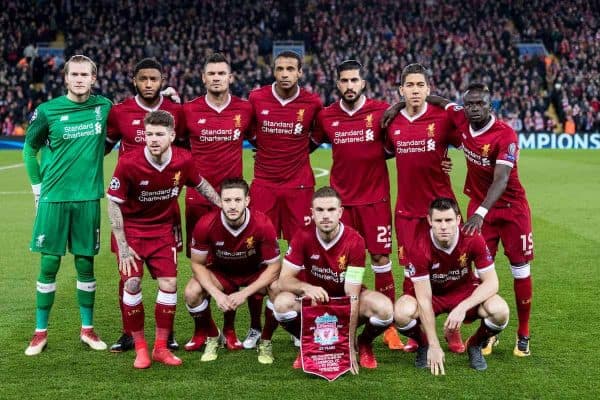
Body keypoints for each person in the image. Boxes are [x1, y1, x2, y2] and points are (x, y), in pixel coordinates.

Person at [106, 110, 220, 369]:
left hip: (161, 230)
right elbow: (113, 203)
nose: (153, 139)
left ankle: (160, 348)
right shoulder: (128, 162)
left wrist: (222, 205)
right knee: (132, 283)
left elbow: (200, 185)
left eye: (159, 134)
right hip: (132, 231)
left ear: (171, 135)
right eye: (148, 134)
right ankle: (140, 349)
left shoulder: (184, 160)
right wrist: (122, 246)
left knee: (169, 284)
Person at [23, 55, 112, 356]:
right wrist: (38, 191)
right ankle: (39, 333)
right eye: (74, 74)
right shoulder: (47, 111)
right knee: (49, 263)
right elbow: (28, 150)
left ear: (93, 78)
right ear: (65, 78)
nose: (79, 79)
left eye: (84, 74)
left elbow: (133, 119)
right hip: (53, 199)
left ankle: (87, 329)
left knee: (85, 264)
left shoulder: (104, 107)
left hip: (87, 198)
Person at [312, 59, 403, 350]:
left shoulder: (381, 112)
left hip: (375, 200)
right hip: (341, 205)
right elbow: (305, 144)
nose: (349, 86)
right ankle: (338, 319)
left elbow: (397, 145)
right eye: (344, 81)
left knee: (379, 260)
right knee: (341, 265)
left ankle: (388, 327)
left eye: (354, 80)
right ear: (337, 84)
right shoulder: (326, 116)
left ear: (363, 82)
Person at [444, 83, 534, 357]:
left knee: (520, 269)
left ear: (490, 105)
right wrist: (399, 106)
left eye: (480, 104)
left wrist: (480, 213)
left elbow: (502, 179)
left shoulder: (505, 135)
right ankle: (490, 330)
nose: (473, 108)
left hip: (511, 209)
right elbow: (438, 101)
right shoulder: (460, 117)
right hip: (480, 207)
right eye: (469, 104)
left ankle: (524, 334)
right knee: (481, 271)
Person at [382, 63, 464, 353]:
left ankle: (453, 332)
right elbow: (380, 153)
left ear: (428, 90)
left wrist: (447, 159)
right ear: (401, 90)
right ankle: (418, 336)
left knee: (453, 271)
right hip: (407, 213)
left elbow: (469, 138)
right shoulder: (392, 123)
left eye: (420, 85)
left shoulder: (442, 119)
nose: (415, 90)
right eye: (410, 86)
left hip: (442, 210)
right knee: (410, 274)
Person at [181, 53, 260, 352]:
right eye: (211, 73)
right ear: (203, 78)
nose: (216, 77)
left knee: (233, 263)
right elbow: (174, 145)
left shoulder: (244, 108)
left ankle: (229, 330)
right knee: (200, 266)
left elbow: (259, 139)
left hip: (233, 203)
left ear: (230, 78)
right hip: (197, 200)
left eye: (221, 73)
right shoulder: (188, 111)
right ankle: (204, 330)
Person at [105, 58, 184, 353]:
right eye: (143, 79)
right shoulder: (120, 112)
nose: (149, 84)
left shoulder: (176, 111)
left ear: (163, 79)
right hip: (131, 210)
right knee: (128, 273)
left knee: (169, 273)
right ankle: (129, 333)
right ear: (134, 80)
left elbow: (185, 148)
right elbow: (104, 146)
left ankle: (169, 333)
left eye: (154, 78)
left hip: (165, 207)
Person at [274, 187, 394, 371]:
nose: (325, 215)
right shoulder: (302, 236)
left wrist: (348, 348)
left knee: (384, 309)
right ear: (312, 213)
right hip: (315, 302)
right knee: (281, 303)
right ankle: (309, 343)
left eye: (331, 210)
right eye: (320, 210)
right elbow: (284, 280)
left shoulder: (355, 241)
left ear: (340, 212)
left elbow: (352, 295)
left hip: (345, 301)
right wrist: (307, 288)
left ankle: (363, 342)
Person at [394, 197, 509, 373]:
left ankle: (474, 344)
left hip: (464, 292)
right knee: (401, 313)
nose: (444, 226)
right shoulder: (418, 246)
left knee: (500, 311)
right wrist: (434, 344)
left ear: (458, 220)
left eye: (448, 220)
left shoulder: (472, 238)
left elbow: (492, 282)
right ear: (429, 221)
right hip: (433, 296)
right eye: (438, 221)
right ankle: (424, 345)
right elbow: (424, 299)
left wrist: (462, 307)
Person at [184, 178, 281, 364]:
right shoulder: (206, 224)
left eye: (237, 200)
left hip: (254, 272)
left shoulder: (262, 223)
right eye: (227, 200)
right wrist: (216, 294)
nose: (232, 206)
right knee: (191, 292)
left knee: (277, 288)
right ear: (220, 201)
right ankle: (213, 336)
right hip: (222, 274)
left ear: (247, 201)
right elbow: (197, 264)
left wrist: (244, 293)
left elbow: (274, 266)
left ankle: (265, 340)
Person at [248, 50, 323, 242]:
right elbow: (249, 130)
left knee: (302, 242)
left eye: (290, 69)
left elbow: (319, 134)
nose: (284, 74)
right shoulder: (256, 98)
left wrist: (299, 151)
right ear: (273, 72)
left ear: (299, 72)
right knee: (260, 242)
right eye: (279, 69)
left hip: (299, 184)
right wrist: (265, 147)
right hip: (265, 183)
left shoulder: (313, 103)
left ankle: (295, 274)